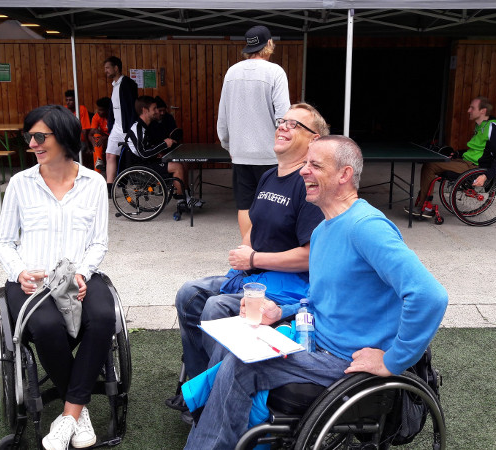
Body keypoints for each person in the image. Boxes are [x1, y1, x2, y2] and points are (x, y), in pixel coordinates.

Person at [183, 135, 449, 449]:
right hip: (313, 342)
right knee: (236, 344)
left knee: (241, 367)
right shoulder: (322, 230)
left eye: (315, 165)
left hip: (344, 360)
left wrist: (393, 361)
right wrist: (280, 312)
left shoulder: (366, 227)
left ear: (344, 174)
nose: (303, 171)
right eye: (305, 163)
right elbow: (318, 298)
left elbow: (429, 296)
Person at [172, 103, 328, 396]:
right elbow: (254, 226)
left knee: (215, 306)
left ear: (314, 139)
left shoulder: (308, 185)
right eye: (282, 121)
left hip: (288, 288)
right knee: (188, 294)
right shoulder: (269, 177)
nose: (283, 127)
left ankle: (219, 395)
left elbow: (311, 257)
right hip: (254, 278)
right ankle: (197, 385)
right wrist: (244, 253)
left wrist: (254, 258)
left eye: (294, 124)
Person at [0, 105, 114, 450]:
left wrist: (82, 273)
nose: (32, 144)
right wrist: (20, 272)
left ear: (63, 137)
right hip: (32, 280)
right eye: (29, 136)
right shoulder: (20, 184)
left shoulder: (93, 183)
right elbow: (4, 242)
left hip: (79, 276)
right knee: (46, 326)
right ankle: (78, 412)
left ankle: (69, 415)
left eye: (39, 136)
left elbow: (98, 242)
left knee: (103, 317)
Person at [217, 24, 291, 237]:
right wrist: (286, 149)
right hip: (269, 154)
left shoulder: (232, 72)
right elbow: (283, 118)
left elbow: (223, 116)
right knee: (273, 203)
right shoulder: (275, 72)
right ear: (269, 44)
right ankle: (269, 247)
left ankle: (247, 248)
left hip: (240, 153)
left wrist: (229, 145)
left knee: (245, 205)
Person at [411, 96, 496, 218]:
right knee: (434, 161)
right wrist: (457, 154)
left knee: (430, 166)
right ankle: (424, 202)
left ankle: (425, 206)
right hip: (467, 162)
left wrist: (486, 176)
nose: (468, 110)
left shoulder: (493, 129)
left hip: (474, 166)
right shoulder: (481, 126)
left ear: (482, 111)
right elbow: (479, 150)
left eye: (472, 108)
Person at [119, 95, 187, 199]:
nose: (156, 111)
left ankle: (186, 194)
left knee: (182, 163)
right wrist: (164, 144)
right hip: (141, 167)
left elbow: (146, 149)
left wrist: (156, 153)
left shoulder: (144, 127)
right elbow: (144, 154)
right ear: (145, 110)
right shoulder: (138, 129)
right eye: (154, 109)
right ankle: (182, 200)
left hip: (146, 162)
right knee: (177, 167)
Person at [104, 56, 138, 196]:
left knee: (135, 155)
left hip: (127, 127)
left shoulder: (127, 83)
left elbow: (132, 108)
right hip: (116, 127)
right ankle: (109, 188)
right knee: (109, 155)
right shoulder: (115, 85)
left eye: (108, 68)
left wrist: (131, 128)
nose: (105, 71)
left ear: (116, 68)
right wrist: (110, 125)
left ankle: (137, 182)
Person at [64, 90, 92, 168]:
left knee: (76, 151)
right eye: (67, 100)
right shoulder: (64, 110)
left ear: (75, 100)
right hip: (67, 140)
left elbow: (84, 129)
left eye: (70, 100)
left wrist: (88, 147)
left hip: (80, 140)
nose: (68, 102)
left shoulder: (81, 109)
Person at [88, 97, 111, 174]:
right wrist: (93, 141)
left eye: (101, 110)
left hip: (113, 140)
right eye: (98, 109)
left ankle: (97, 172)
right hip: (102, 141)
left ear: (108, 110)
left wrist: (105, 137)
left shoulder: (113, 117)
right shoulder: (96, 116)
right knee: (96, 136)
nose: (99, 112)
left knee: (97, 144)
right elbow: (90, 134)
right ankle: (99, 159)